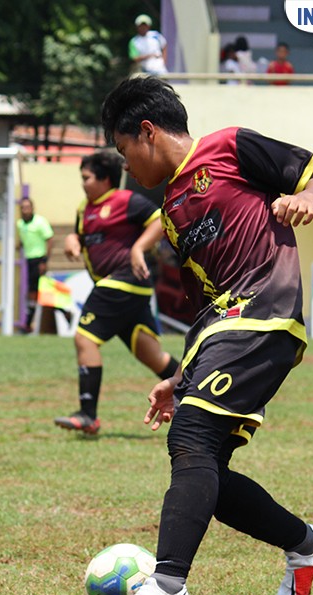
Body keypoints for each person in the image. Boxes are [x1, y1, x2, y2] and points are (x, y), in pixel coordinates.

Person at [90, 76, 313, 595]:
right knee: (207, 471)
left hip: (266, 312)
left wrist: (304, 199)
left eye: (125, 150)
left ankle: (168, 589)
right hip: (224, 328)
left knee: (191, 441)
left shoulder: (228, 145)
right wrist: (179, 377)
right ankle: (306, 545)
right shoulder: (174, 213)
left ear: (147, 132)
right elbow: (205, 306)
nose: (127, 166)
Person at [53, 150, 179, 436]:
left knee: (84, 339)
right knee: (152, 355)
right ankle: (200, 401)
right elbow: (80, 235)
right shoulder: (84, 208)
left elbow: (160, 219)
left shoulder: (125, 201)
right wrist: (73, 240)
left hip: (120, 281)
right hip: (127, 290)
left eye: (86, 178)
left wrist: (138, 248)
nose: (82, 183)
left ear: (105, 179)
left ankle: (88, 415)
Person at [15, 197, 53, 333]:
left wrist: (44, 261)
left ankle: (28, 324)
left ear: (32, 208)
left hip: (39, 260)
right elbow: (25, 239)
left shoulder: (40, 222)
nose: (25, 210)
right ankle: (65, 313)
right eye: (22, 208)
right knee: (34, 292)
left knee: (35, 292)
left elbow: (49, 239)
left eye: (27, 207)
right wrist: (19, 245)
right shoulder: (20, 224)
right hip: (29, 260)